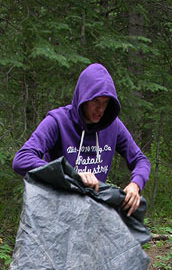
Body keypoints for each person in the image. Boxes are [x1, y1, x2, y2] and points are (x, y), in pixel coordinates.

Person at [12, 63, 150, 216]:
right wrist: (70, 174)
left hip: (90, 212)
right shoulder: (58, 122)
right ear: (84, 98)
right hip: (55, 212)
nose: (100, 109)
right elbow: (21, 159)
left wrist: (135, 184)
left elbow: (140, 159)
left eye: (105, 103)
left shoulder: (113, 126)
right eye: (95, 101)